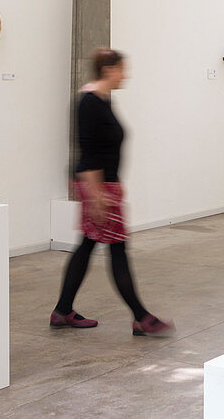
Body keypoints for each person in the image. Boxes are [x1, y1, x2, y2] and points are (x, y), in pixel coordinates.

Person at [51, 48, 174, 336]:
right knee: (117, 249)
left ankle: (63, 310)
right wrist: (95, 195)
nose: (125, 75)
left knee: (88, 246)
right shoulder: (90, 102)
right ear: (108, 70)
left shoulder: (103, 99)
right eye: (121, 69)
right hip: (99, 189)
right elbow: (88, 151)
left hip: (106, 186)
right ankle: (141, 317)